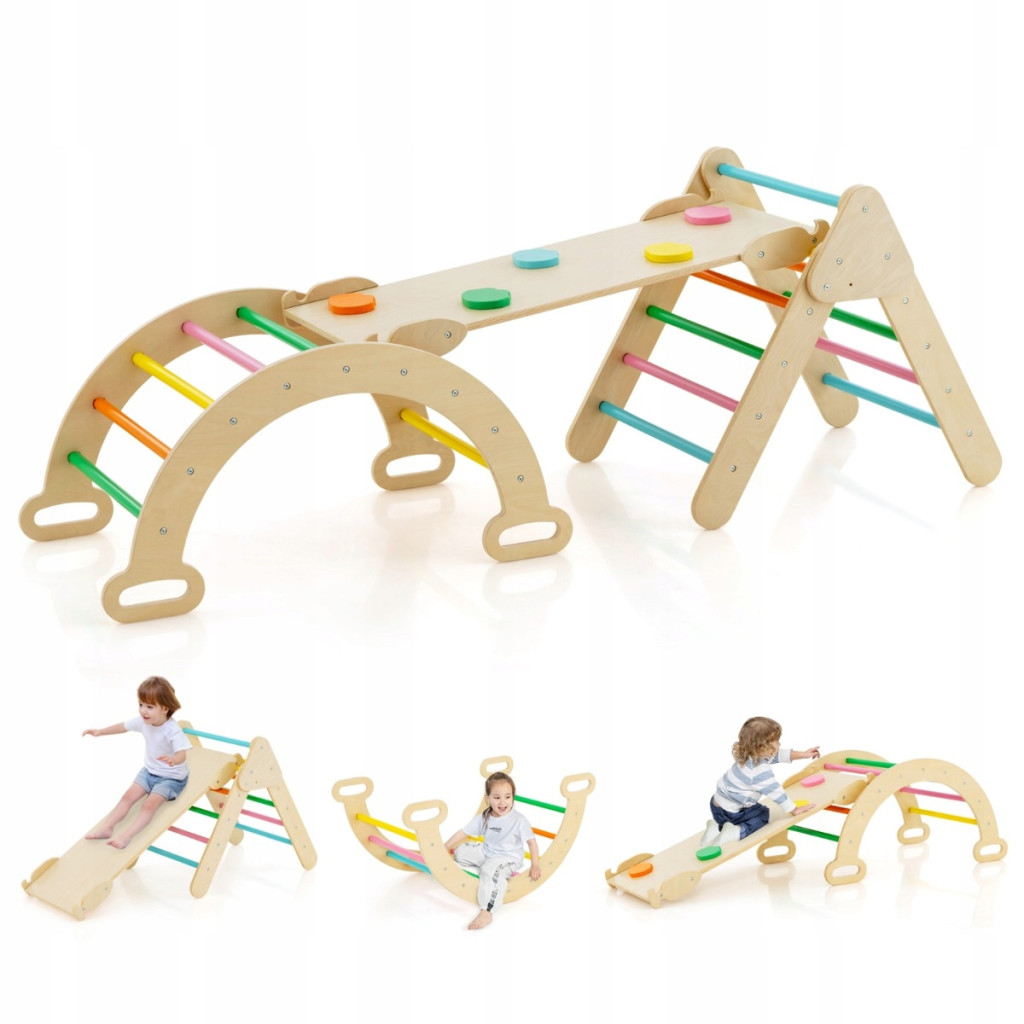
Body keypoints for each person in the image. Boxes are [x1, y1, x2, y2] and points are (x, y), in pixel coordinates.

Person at [82, 676, 191, 850]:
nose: (143, 711)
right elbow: (123, 726)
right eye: (141, 704)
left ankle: (126, 836)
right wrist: (100, 732)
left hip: (171, 778)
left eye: (150, 707)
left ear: (165, 708)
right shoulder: (143, 722)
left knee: (148, 806)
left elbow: (182, 755)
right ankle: (107, 827)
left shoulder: (173, 731)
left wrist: (173, 760)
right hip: (149, 772)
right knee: (127, 797)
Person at [701, 716, 820, 847]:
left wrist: (803, 754)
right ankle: (736, 831)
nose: (779, 744)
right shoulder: (759, 770)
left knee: (754, 808)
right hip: (731, 813)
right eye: (776, 741)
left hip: (716, 805)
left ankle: (715, 827)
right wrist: (794, 809)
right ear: (763, 748)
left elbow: (778, 755)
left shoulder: (748, 753)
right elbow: (775, 791)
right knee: (763, 814)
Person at [444, 771, 540, 930]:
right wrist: (445, 846)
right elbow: (464, 832)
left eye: (507, 797)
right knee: (460, 853)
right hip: (486, 851)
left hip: (507, 858)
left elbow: (532, 843)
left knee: (489, 870)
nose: (503, 802)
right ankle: (477, 861)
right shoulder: (485, 816)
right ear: (487, 799)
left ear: (513, 797)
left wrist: (535, 865)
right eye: (497, 797)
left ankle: (487, 911)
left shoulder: (519, 820)